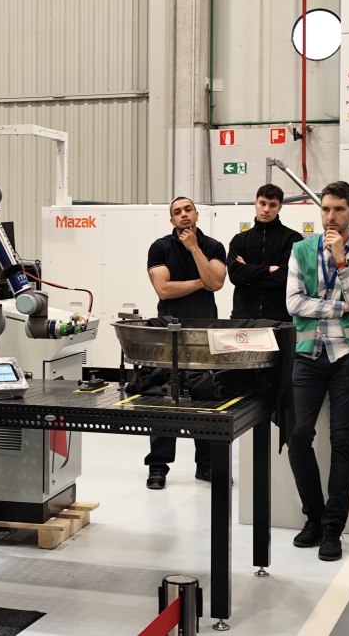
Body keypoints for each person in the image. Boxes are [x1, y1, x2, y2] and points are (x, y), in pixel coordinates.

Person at [285, 181, 349, 562]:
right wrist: (341, 307)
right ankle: (313, 517)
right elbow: (294, 303)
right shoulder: (301, 250)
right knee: (298, 436)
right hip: (309, 353)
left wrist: (343, 262)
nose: (330, 216)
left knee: (343, 441)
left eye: (339, 209)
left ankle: (333, 527)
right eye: (326, 209)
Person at [143, 196, 226, 489]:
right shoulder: (160, 247)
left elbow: (217, 283)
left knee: (205, 398)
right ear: (171, 220)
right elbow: (164, 290)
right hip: (169, 335)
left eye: (188, 209)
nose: (183, 215)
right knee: (165, 399)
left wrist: (194, 248)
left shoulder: (213, 246)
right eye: (177, 212)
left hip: (204, 335)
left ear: (196, 214)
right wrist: (202, 282)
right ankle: (158, 467)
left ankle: (207, 465)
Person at [227, 184, 304, 321]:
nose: (266, 209)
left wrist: (248, 279)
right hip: (243, 318)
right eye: (262, 203)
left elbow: (285, 277)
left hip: (281, 319)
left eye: (272, 205)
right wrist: (268, 269)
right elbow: (235, 275)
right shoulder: (239, 240)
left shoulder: (293, 239)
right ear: (255, 203)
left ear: (280, 207)